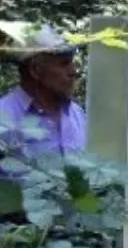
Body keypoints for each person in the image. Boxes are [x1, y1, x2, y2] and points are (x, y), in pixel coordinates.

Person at [0, 23, 87, 224]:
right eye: (64, 64)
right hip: (19, 243)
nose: (74, 71)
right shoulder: (4, 117)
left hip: (76, 241)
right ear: (36, 70)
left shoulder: (77, 115)